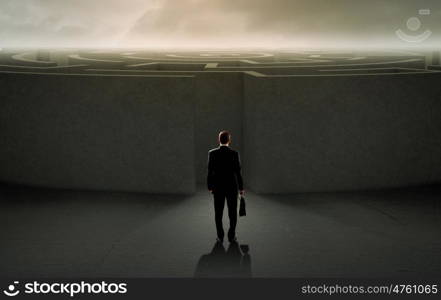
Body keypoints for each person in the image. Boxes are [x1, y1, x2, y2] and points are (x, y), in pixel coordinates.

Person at [207, 131, 244, 243]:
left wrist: (210, 186)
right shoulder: (234, 153)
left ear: (219, 140)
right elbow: (238, 173)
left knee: (218, 213)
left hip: (217, 188)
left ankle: (220, 236)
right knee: (232, 213)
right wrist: (241, 188)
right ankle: (231, 235)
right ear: (229, 140)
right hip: (232, 187)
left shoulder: (212, 153)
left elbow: (209, 172)